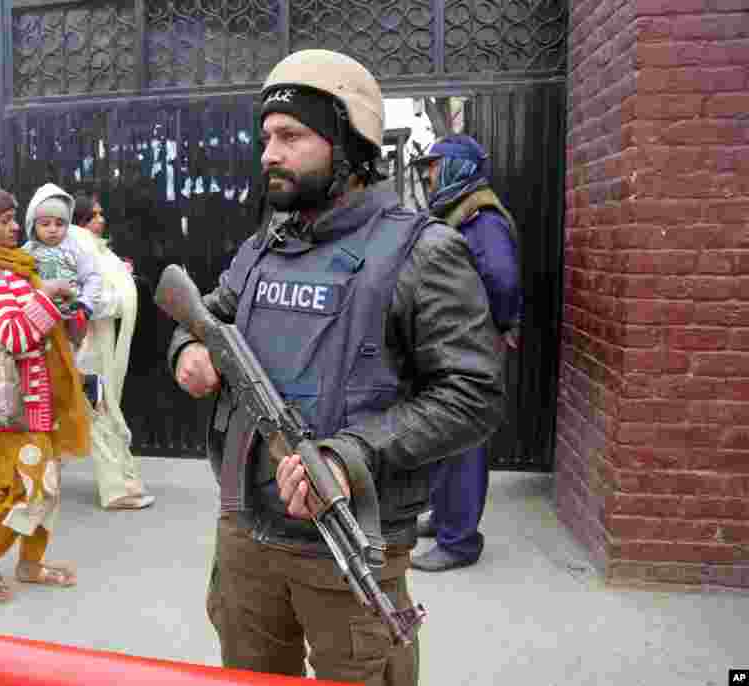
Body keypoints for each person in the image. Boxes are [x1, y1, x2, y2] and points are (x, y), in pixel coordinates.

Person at [167, 49, 506, 685]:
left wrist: (350, 457)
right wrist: (188, 352)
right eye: (266, 136)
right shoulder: (267, 243)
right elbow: (203, 316)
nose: (270, 153)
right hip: (245, 528)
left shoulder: (422, 250)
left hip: (353, 540)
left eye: (291, 136)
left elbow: (473, 394)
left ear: (349, 143)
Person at [0, 183, 90, 603]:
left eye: (11, 219)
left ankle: (29, 563)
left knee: (45, 485)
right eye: (3, 221)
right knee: (28, 487)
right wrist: (47, 294)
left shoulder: (12, 267)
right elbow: (16, 335)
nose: (12, 227)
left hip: (34, 398)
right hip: (11, 404)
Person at [407, 135, 522, 572]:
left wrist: (504, 323)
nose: (429, 175)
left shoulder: (481, 218)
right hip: (449, 343)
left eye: (436, 166)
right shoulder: (458, 212)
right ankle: (444, 519)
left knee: (464, 445)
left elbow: (503, 281)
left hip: (470, 348)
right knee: (444, 437)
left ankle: (459, 542)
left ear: (457, 166)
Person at [69, 193, 155, 510]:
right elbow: (89, 300)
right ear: (81, 220)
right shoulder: (78, 249)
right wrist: (120, 294)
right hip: (85, 349)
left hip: (92, 347)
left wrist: (122, 280)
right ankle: (118, 490)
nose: (102, 219)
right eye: (96, 214)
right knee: (100, 415)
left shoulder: (91, 247)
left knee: (94, 415)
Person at [21, 183, 102, 351]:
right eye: (45, 224)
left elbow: (93, 277)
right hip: (38, 318)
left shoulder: (77, 248)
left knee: (69, 359)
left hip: (71, 319)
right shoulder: (26, 252)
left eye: (60, 224)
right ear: (33, 224)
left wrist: (85, 304)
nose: (52, 229)